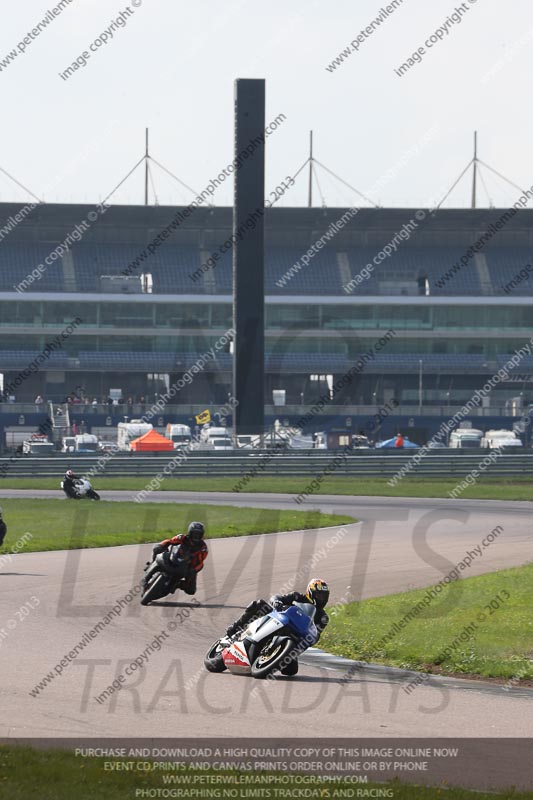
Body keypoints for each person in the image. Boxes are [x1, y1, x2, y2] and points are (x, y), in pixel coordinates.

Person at [224, 578, 330, 675]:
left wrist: (310, 639)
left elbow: (315, 635)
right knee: (258, 605)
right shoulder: (297, 597)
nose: (322, 599)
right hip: (277, 619)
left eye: (324, 596)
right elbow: (278, 597)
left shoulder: (323, 617)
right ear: (310, 593)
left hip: (294, 636)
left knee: (291, 670)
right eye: (319, 595)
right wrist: (276, 601)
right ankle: (235, 628)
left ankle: (268, 657)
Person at [147, 521, 208, 595]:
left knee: (191, 590)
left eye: (198, 534)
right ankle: (152, 564)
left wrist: (193, 570)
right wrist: (161, 545)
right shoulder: (182, 537)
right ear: (190, 532)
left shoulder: (203, 548)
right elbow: (169, 541)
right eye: (194, 533)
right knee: (157, 549)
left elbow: (200, 563)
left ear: (202, 535)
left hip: (188, 566)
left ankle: (176, 584)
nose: (196, 536)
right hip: (175, 557)